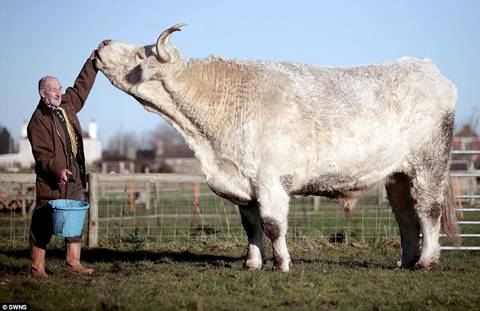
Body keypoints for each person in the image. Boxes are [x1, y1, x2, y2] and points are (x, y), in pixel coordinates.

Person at [27, 40, 110, 277]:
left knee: (74, 219)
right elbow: (42, 155)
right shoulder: (38, 120)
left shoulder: (66, 104)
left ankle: (73, 265)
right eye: (54, 89)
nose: (58, 92)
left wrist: (93, 62)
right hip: (52, 180)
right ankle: (36, 268)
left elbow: (81, 87)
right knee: (43, 222)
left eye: (60, 88)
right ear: (43, 93)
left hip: (74, 174)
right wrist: (58, 170)